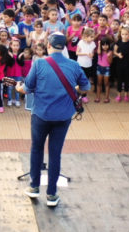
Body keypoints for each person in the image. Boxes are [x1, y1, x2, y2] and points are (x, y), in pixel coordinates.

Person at [15, 33, 90, 208]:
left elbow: (27, 88)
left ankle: (34, 187)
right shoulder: (74, 65)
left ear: (48, 45)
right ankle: (52, 194)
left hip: (41, 115)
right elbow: (86, 87)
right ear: (64, 47)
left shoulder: (39, 63)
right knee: (55, 153)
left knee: (36, 149)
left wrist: (18, 87)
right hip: (63, 116)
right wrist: (73, 88)